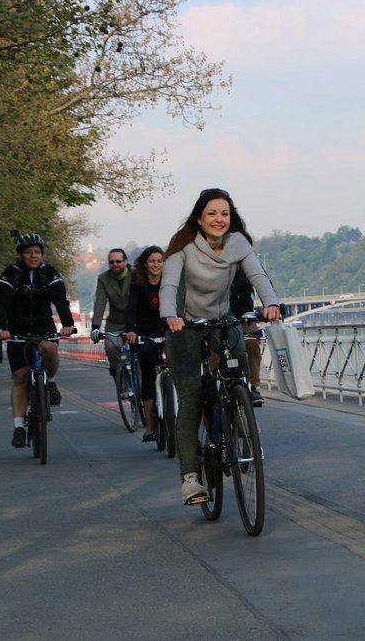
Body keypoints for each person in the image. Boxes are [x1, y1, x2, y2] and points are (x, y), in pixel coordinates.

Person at [160, 188, 281, 504]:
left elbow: (258, 276)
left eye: (224, 213)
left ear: (231, 217)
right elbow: (169, 283)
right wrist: (170, 315)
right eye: (212, 213)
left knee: (237, 363)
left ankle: (237, 423)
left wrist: (271, 303)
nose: (218, 219)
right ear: (199, 218)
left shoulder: (238, 243)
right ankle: (190, 479)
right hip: (184, 323)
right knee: (191, 395)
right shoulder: (183, 245)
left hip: (221, 318)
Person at [0, 233, 75, 448]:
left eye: (37, 252)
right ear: (20, 254)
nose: (33, 256)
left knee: (49, 348)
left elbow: (60, 300)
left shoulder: (49, 273)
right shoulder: (11, 273)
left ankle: (50, 382)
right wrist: (0, 328)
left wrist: (68, 324)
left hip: (43, 328)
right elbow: (1, 302)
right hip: (16, 331)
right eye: (29, 252)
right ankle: (19, 427)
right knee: (20, 377)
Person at [125, 245, 165, 443]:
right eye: (152, 261)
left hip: (166, 330)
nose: (156, 264)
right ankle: (149, 426)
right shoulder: (138, 283)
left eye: (159, 261)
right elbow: (131, 308)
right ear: (146, 263)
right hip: (145, 333)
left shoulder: (169, 281)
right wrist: (131, 330)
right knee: (148, 376)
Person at [90, 248, 131, 377]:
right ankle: (116, 372)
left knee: (140, 353)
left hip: (136, 321)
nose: (115, 264)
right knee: (110, 347)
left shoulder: (136, 275)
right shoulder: (103, 279)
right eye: (111, 262)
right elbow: (100, 303)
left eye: (118, 261)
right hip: (115, 323)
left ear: (125, 262)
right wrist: (95, 327)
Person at [230, 266, 267, 406]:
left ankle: (254, 386)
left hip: (245, 316)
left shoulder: (248, 265)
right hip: (218, 315)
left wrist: (271, 305)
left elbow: (264, 283)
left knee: (252, 343)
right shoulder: (216, 264)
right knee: (215, 352)